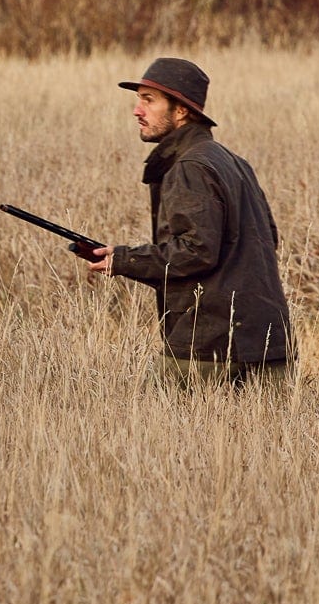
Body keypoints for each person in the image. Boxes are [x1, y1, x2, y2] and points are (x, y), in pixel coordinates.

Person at [82, 57, 293, 387]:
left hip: (209, 345)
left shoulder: (189, 166)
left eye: (148, 100)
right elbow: (268, 239)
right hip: (267, 342)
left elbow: (197, 250)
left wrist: (125, 260)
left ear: (180, 111)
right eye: (138, 100)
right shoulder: (233, 162)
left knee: (157, 432)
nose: (137, 111)